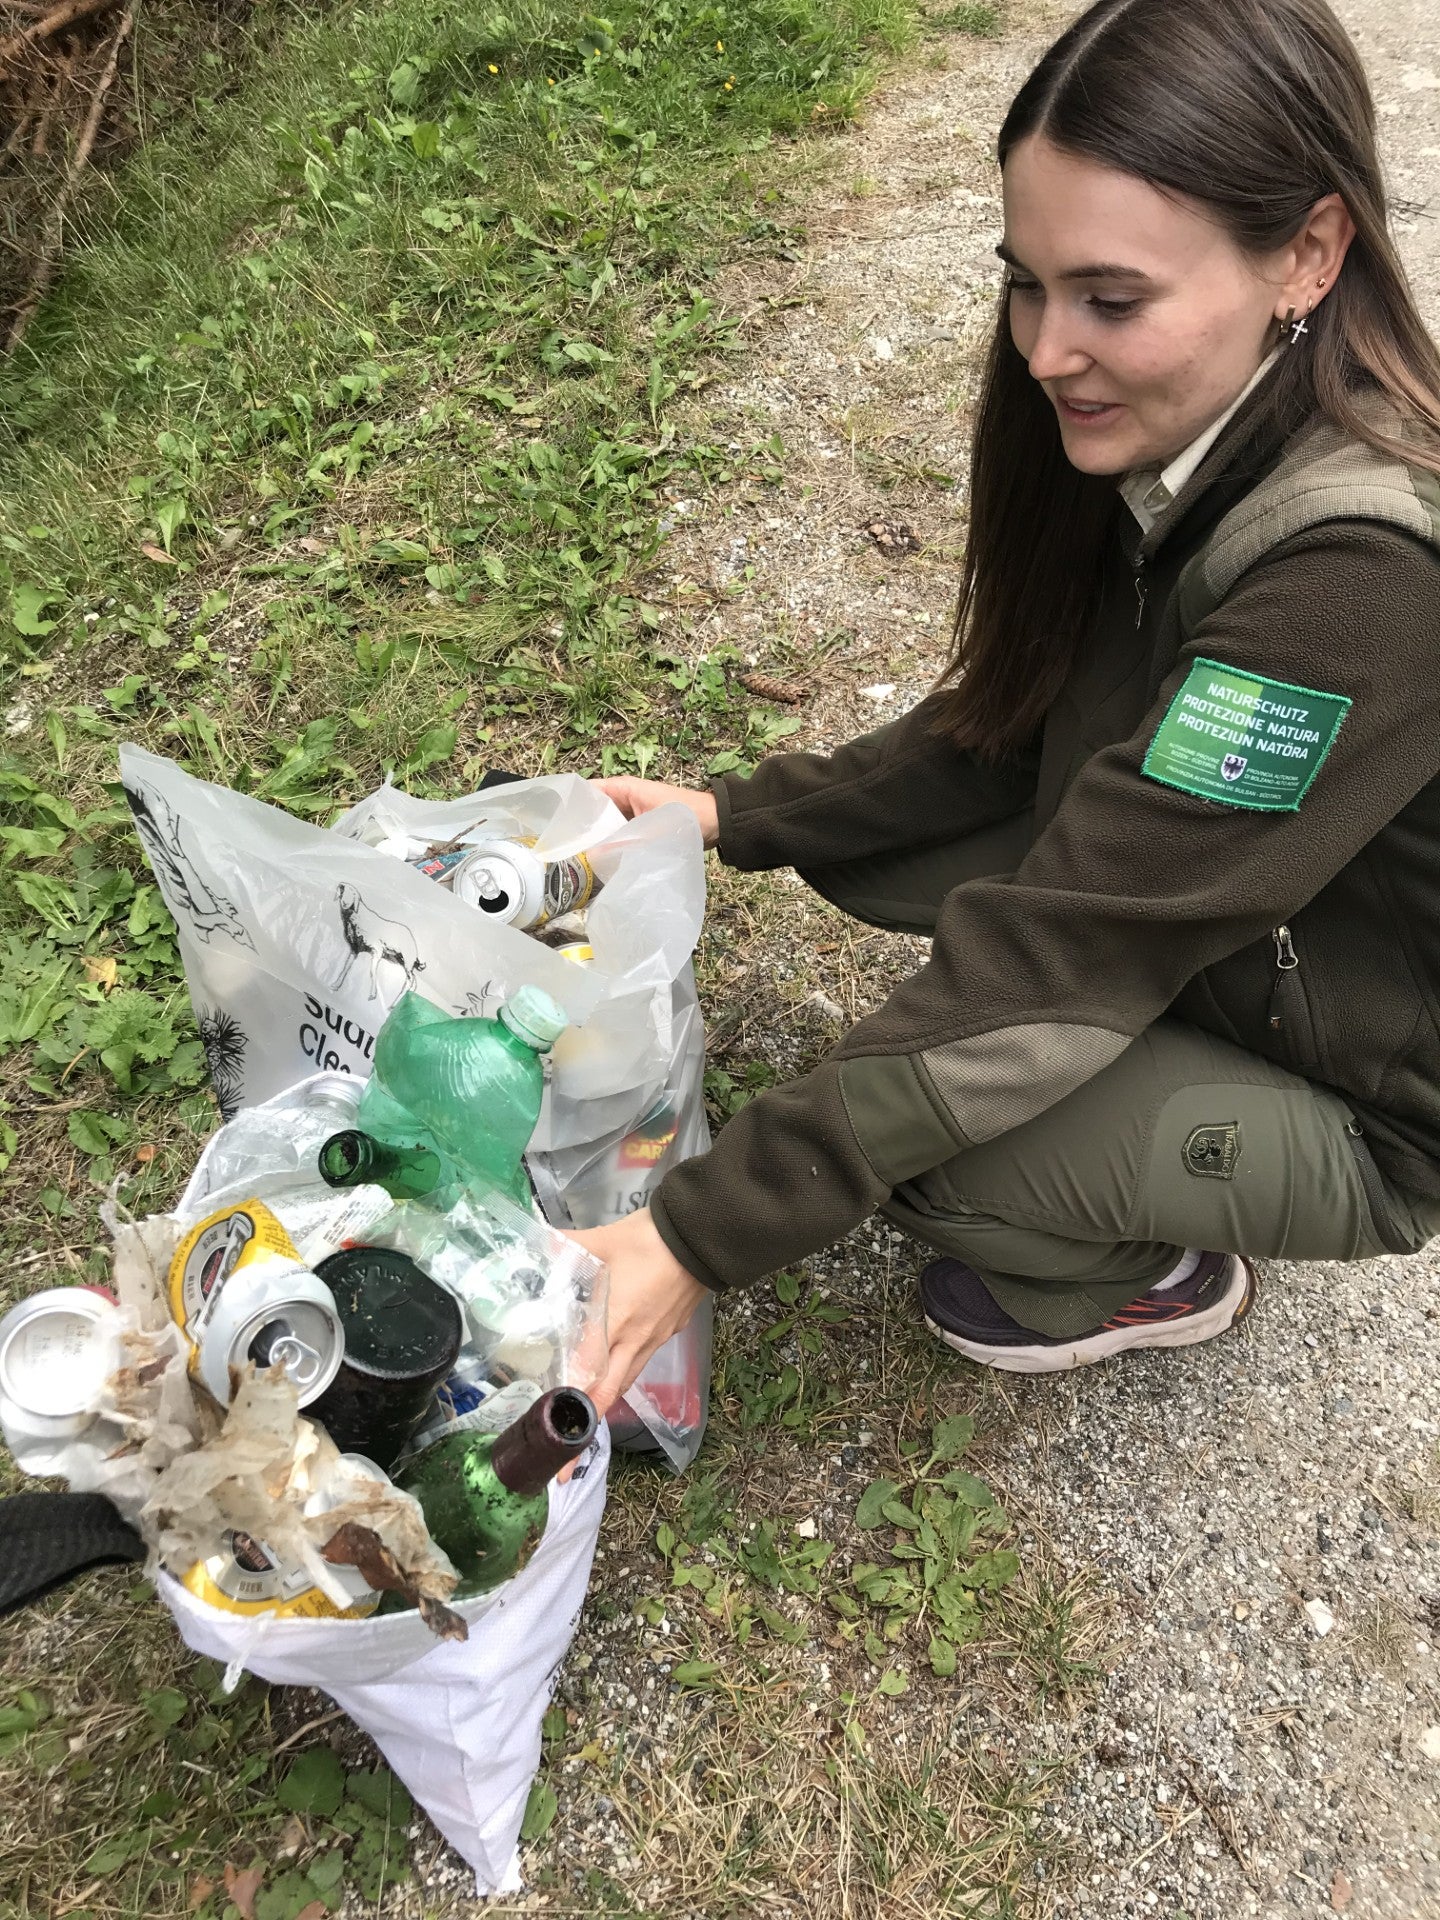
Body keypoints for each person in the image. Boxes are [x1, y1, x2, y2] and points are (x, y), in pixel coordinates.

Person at [567, 0, 1440, 1413]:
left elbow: (1067, 948)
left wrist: (691, 1232)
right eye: (1024, 282)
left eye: (1110, 297)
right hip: (1247, 910)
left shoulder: (1364, 576)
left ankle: (1162, 1267)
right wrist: (739, 815)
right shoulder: (1181, 423)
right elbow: (1015, 718)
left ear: (1309, 254)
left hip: (1370, 1087)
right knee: (899, 869)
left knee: (952, 1156)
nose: (1042, 350)